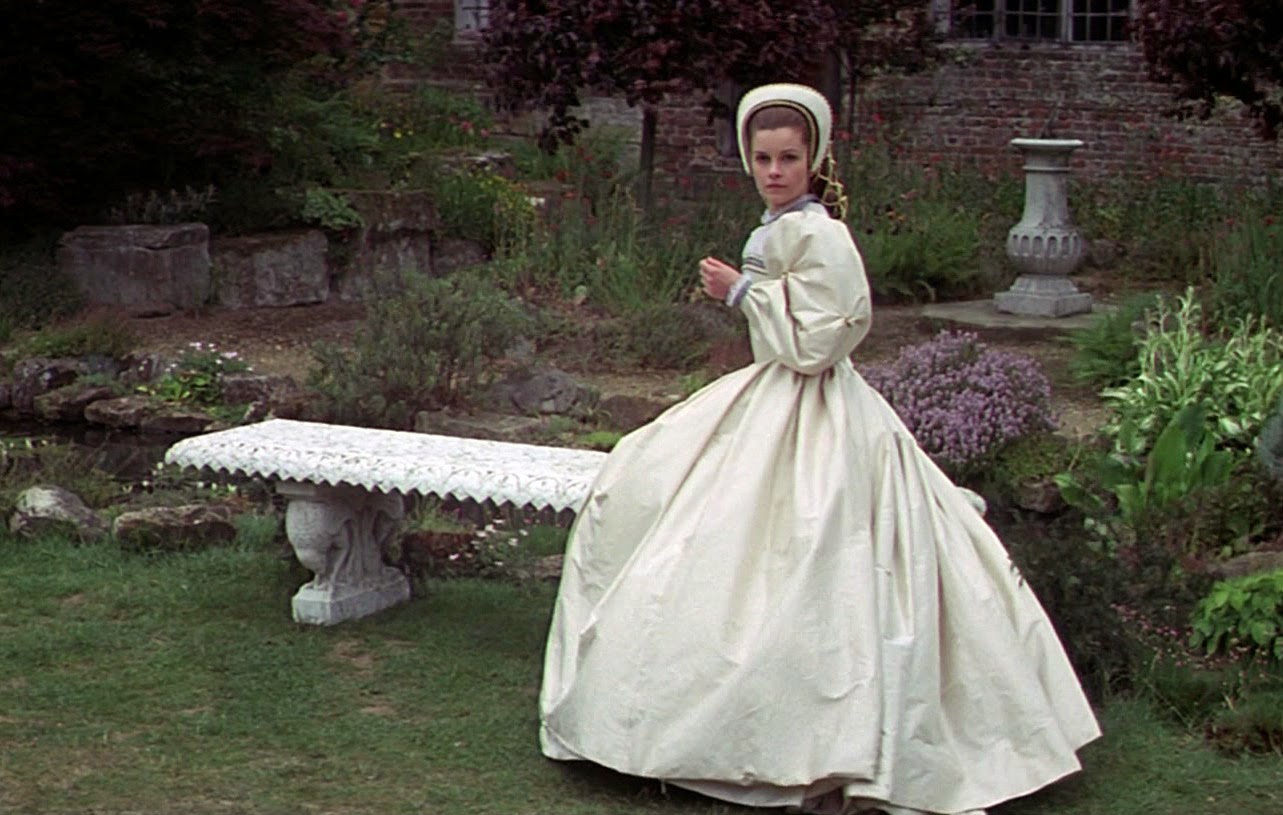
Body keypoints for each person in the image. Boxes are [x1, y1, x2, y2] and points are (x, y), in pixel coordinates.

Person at [538, 83, 1100, 815]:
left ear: (814, 160)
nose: (775, 171)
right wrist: (749, 295)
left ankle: (829, 746)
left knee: (823, 550)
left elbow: (827, 334)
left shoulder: (820, 232)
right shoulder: (780, 225)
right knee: (667, 500)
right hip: (771, 396)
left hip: (819, 405)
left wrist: (741, 293)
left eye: (789, 159)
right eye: (763, 159)